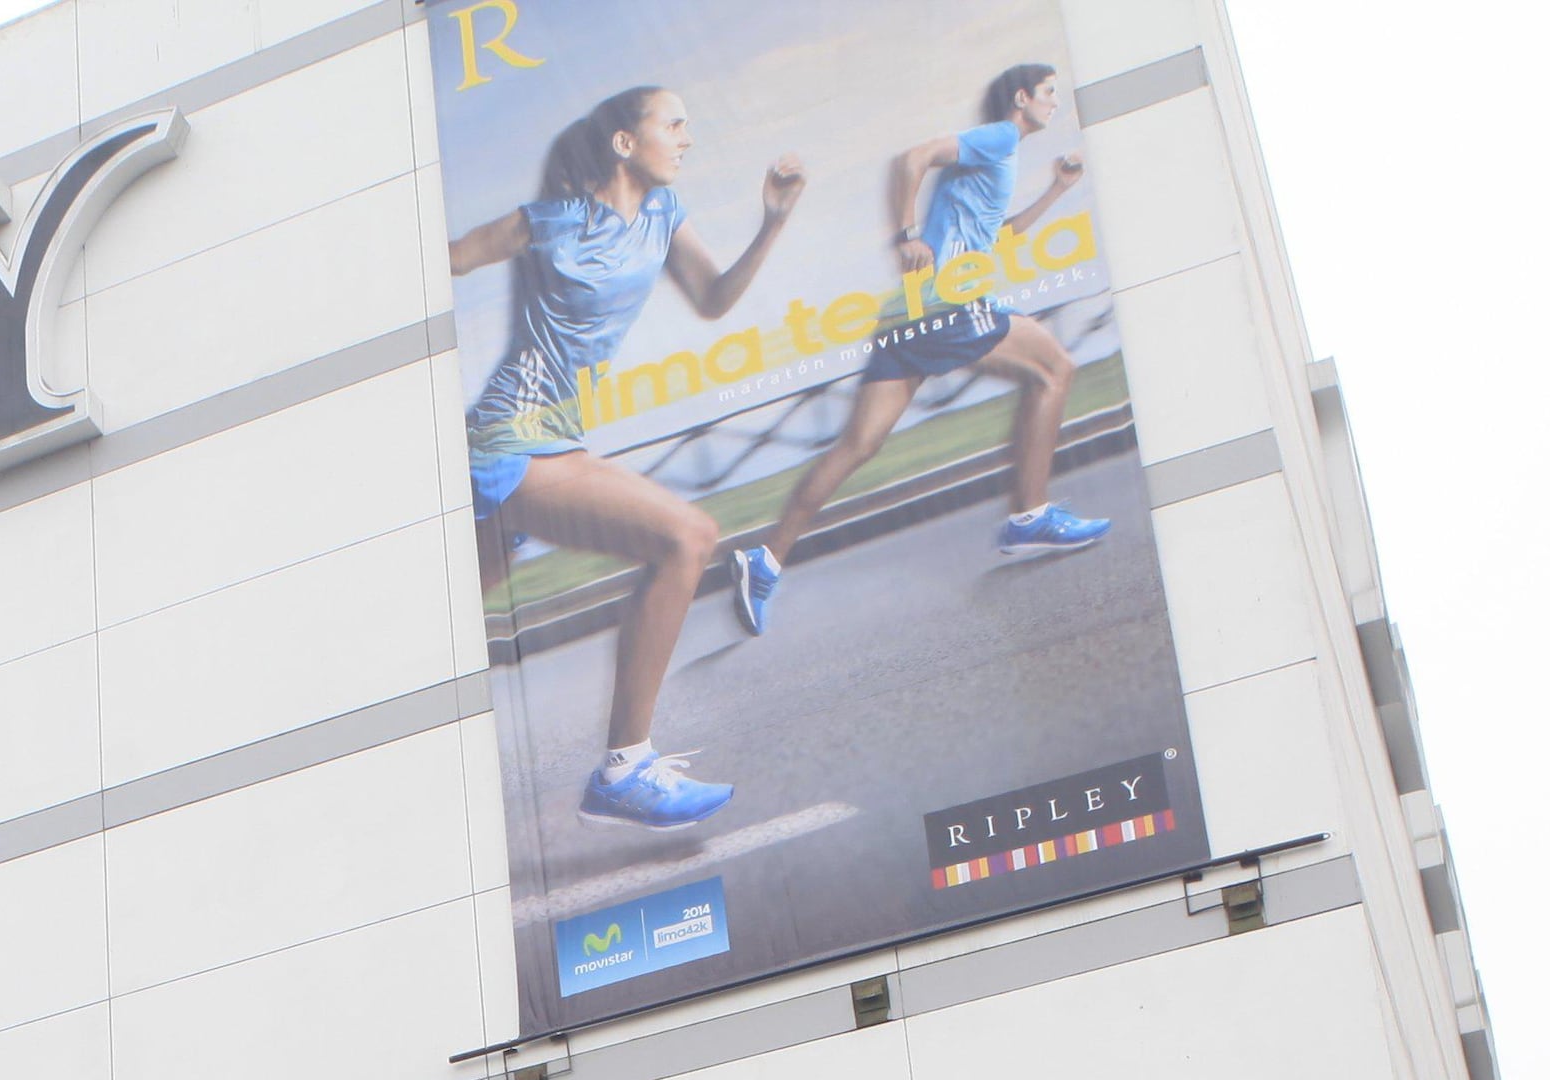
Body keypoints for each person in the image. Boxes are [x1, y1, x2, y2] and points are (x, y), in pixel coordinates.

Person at [449, 85, 806, 831]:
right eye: (672, 124)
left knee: (438, 629)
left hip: (556, 437)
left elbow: (711, 299)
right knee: (687, 536)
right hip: (512, 434)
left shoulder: (664, 219)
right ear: (623, 142)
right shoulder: (545, 225)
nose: (686, 137)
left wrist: (772, 224)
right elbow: (443, 262)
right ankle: (624, 768)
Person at [755, 64, 1111, 610]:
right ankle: (1029, 517)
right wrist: (906, 235)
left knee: (859, 444)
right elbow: (912, 158)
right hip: (948, 299)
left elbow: (1003, 233)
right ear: (1022, 98)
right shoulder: (998, 137)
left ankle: (767, 560)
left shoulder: (1003, 158)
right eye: (1049, 94)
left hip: (912, 310)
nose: (1055, 104)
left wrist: (1057, 191)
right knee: (1055, 369)